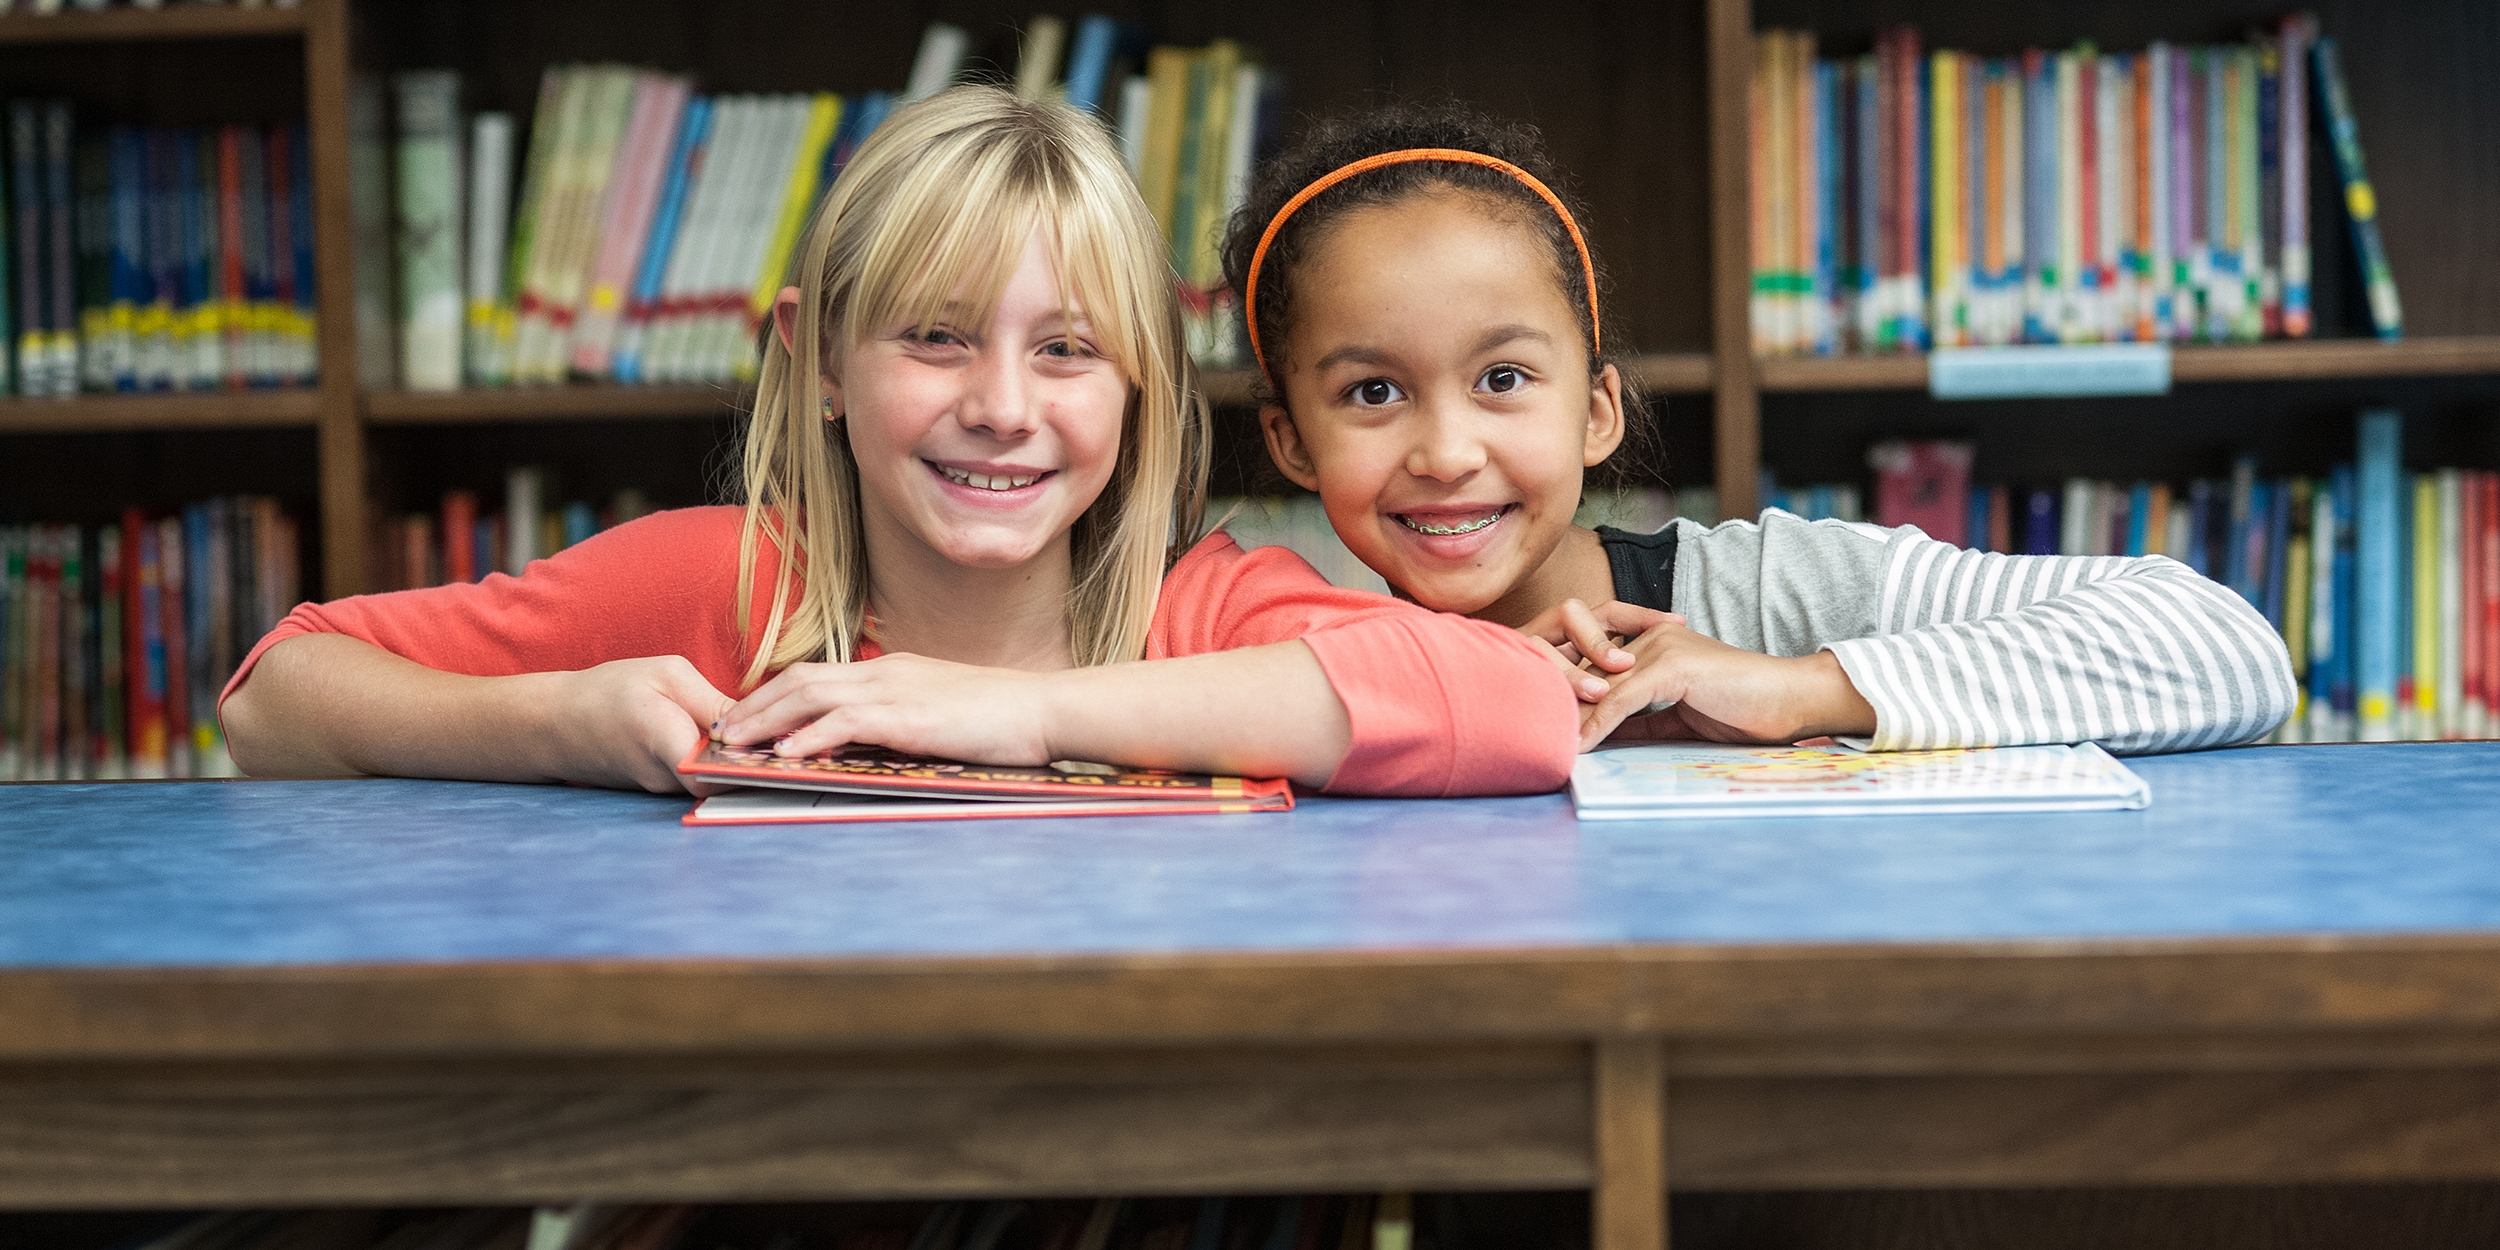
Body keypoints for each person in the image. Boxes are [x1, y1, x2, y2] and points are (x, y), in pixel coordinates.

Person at [219, 87, 1580, 797]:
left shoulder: (1203, 610)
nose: (1002, 404)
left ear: (1141, 393)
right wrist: (554, 719)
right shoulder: (733, 585)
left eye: (1067, 351)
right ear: (817, 359)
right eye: (935, 337)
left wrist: (1020, 712)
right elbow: (271, 697)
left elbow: (1517, 705)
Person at [1221, 102, 2296, 752]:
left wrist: (1794, 689)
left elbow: (2229, 651)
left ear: (1597, 410)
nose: (1448, 452)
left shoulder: (1771, 592)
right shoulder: (1282, 649)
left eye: (1502, 376)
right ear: (1291, 443)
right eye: (1373, 392)